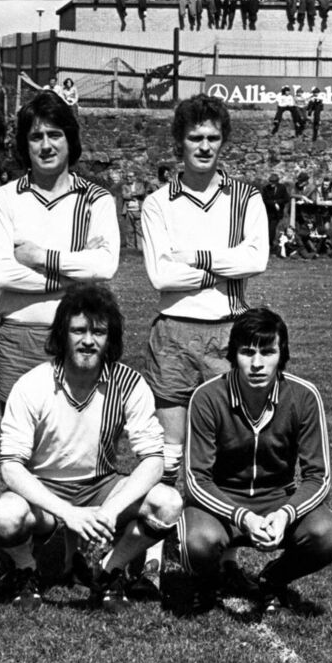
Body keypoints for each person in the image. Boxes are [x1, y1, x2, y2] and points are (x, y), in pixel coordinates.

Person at [138, 94, 269, 594]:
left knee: (226, 449)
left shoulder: (246, 198)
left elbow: (256, 260)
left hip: (229, 329)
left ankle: (221, 547)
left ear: (224, 141)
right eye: (195, 137)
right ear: (179, 142)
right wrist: (222, 259)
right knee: (169, 453)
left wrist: (191, 255)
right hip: (173, 331)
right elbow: (159, 275)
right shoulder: (157, 202)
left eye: (213, 138)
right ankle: (150, 553)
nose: (205, 146)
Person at [0, 284, 179, 611]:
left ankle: (111, 570)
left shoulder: (129, 384)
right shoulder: (33, 384)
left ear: (112, 337)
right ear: (62, 333)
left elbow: (153, 459)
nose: (88, 341)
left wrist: (110, 510)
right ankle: (27, 570)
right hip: (46, 490)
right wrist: (67, 513)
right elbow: (10, 466)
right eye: (78, 330)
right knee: (7, 514)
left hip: (100, 486)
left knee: (167, 502)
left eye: (99, 332)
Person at [182, 308, 332, 614]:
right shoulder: (207, 397)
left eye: (268, 352)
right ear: (233, 355)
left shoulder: (304, 396)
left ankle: (272, 579)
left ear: (282, 354)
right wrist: (243, 517)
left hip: (277, 500)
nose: (257, 364)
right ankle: (208, 581)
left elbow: (318, 477)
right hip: (221, 504)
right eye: (247, 352)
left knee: (329, 534)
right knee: (197, 542)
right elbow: (196, 479)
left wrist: (285, 514)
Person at [0, 91, 119, 407]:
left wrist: (40, 257)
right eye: (36, 136)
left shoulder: (96, 200)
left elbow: (104, 266)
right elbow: (2, 273)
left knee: (77, 436)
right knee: (15, 442)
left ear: (70, 139)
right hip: (19, 336)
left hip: (80, 334)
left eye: (54, 134)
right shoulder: (4, 199)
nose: (46, 145)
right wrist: (74, 279)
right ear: (24, 144)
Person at [260, 172, 288, 248]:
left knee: (272, 229)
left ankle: (270, 244)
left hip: (277, 214)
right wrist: (274, 204)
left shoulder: (282, 187)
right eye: (270, 181)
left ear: (277, 182)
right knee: (266, 228)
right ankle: (267, 244)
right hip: (268, 212)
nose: (271, 183)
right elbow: (264, 199)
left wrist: (277, 202)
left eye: (273, 182)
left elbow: (286, 199)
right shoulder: (266, 188)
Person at [121, 171, 147, 250]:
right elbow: (124, 195)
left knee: (139, 229)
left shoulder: (140, 185)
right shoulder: (124, 186)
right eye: (127, 176)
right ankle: (130, 248)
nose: (128, 178)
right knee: (129, 230)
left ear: (134, 177)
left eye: (130, 176)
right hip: (128, 211)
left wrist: (130, 194)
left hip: (138, 210)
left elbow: (141, 192)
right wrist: (133, 194)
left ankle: (140, 248)